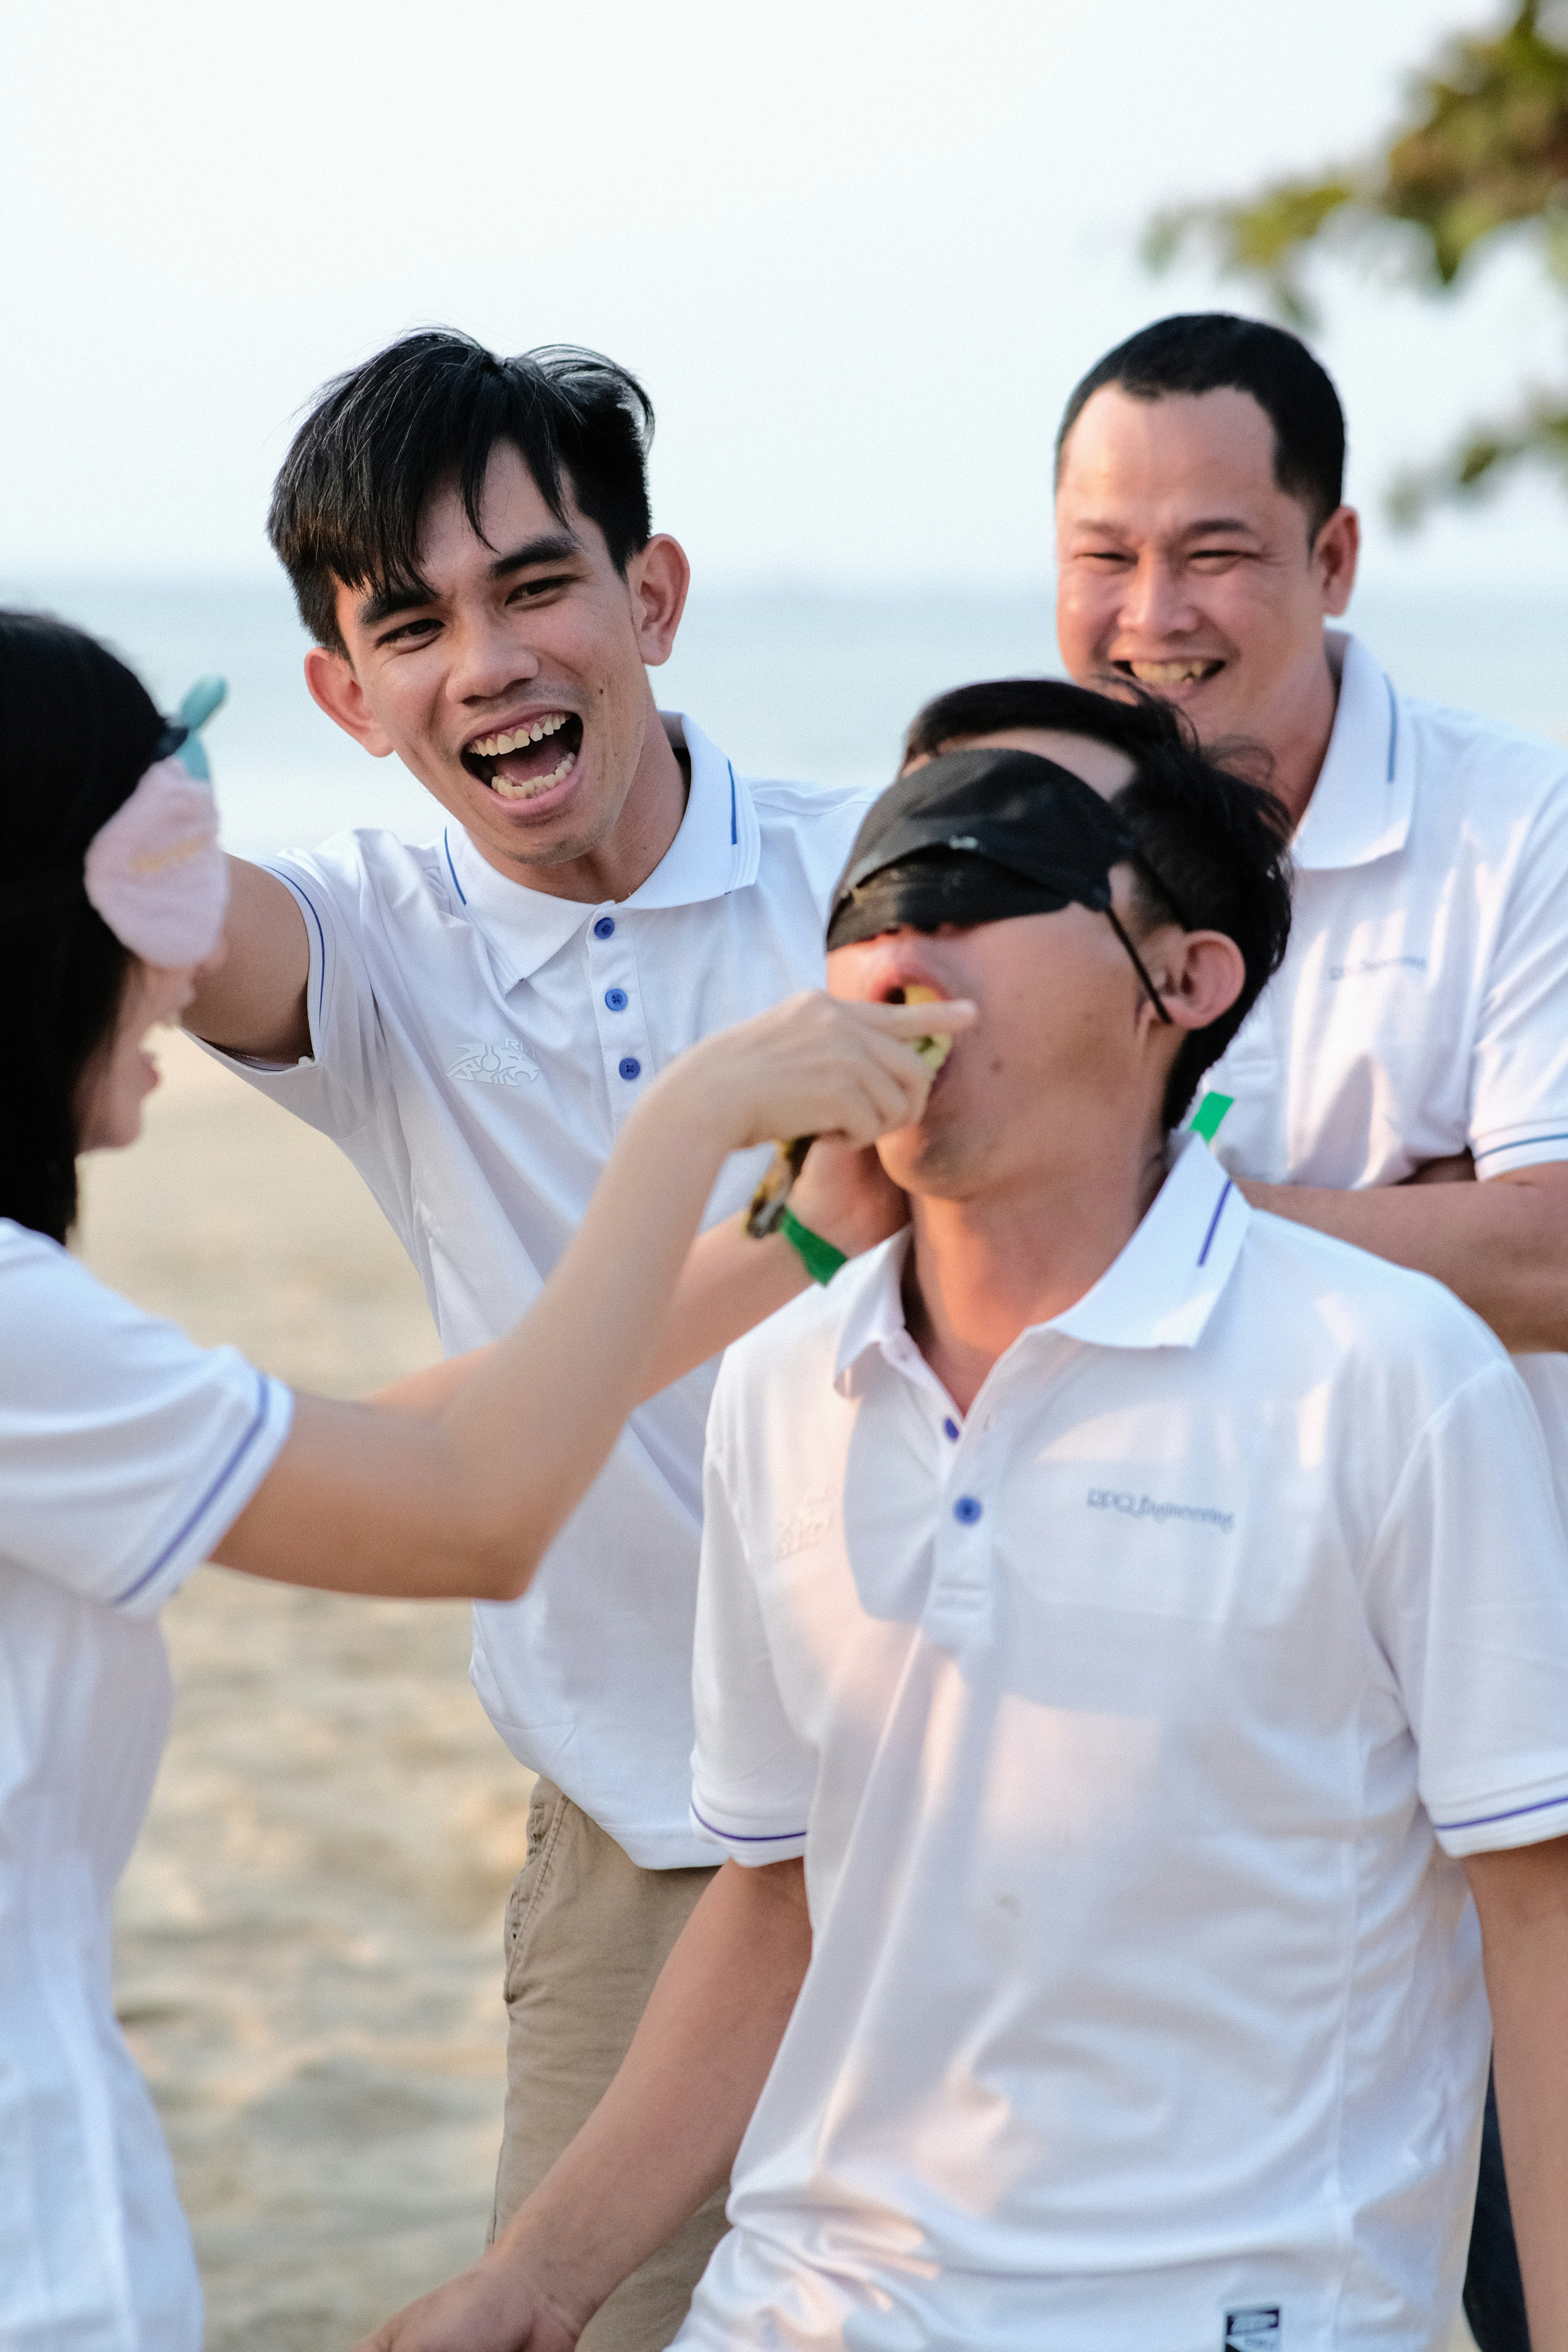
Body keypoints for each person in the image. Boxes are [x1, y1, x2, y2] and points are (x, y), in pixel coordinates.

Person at [357, 700, 1568, 2352]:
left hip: (1223, 2312)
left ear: (1186, 981)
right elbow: (776, 1896)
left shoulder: (1386, 1375)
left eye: (997, 864)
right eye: (874, 889)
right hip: (806, 2308)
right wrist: (537, 2277)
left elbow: (1538, 1908)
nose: (914, 923)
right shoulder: (788, 1382)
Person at [0, 610, 964, 2352]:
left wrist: (799, 1234)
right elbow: (468, 1502)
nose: (178, 973)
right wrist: (697, 1123)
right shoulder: (19, 1336)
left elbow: (411, 1437)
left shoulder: (46, 1344)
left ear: (656, 592)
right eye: (157, 897)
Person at [180, 328, 898, 2347]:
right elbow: (188, 930)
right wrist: (98, 812)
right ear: (343, 696)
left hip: (976, 1789)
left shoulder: (876, 874)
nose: (484, 660)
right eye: (411, 624)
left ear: (647, 598)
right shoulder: (379, 942)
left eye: (536, 585)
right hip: (641, 1838)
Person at [1051, 308, 1568, 2351]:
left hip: (1498, 1704)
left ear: (1333, 559)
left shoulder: (1514, 830)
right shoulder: (1021, 824)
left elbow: (1554, 1257)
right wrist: (1419, 1205)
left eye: (1216, 551)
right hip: (1153, 1734)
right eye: (1103, 552)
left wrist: (1180, 1215)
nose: (1149, 613)